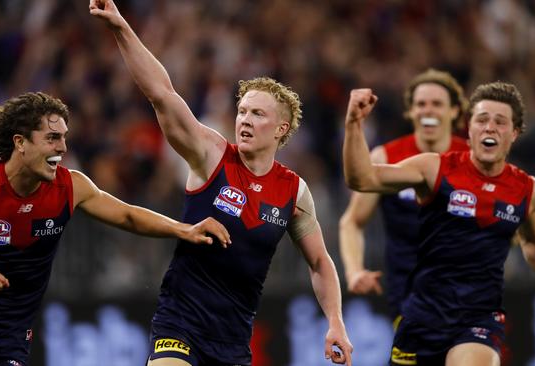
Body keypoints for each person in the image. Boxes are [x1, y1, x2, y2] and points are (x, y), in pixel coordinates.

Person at [89, 1, 352, 365]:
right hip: (178, 325)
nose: (244, 119)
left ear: (281, 129)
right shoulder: (211, 155)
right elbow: (162, 94)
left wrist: (335, 321)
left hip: (233, 342)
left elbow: (320, 262)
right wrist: (120, 27)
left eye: (257, 113)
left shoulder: (294, 191)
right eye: (242, 110)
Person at [0, 91, 231, 366]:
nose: (62, 148)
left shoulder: (70, 187)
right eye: (52, 138)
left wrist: (183, 229)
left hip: (6, 343)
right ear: (20, 142)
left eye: (63, 137)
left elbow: (128, 216)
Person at [343, 82, 535, 365]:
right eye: (482, 120)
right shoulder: (434, 168)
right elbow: (362, 179)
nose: (490, 127)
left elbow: (534, 242)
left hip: (478, 318)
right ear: (469, 128)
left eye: (500, 122)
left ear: (514, 133)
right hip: (421, 318)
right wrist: (354, 124)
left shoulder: (526, 189)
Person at [339, 69, 469, 321]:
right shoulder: (386, 157)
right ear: (410, 111)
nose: (428, 110)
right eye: (421, 104)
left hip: (465, 290)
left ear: (454, 111)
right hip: (408, 293)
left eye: (437, 104)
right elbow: (351, 222)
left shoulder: (472, 160)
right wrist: (354, 271)